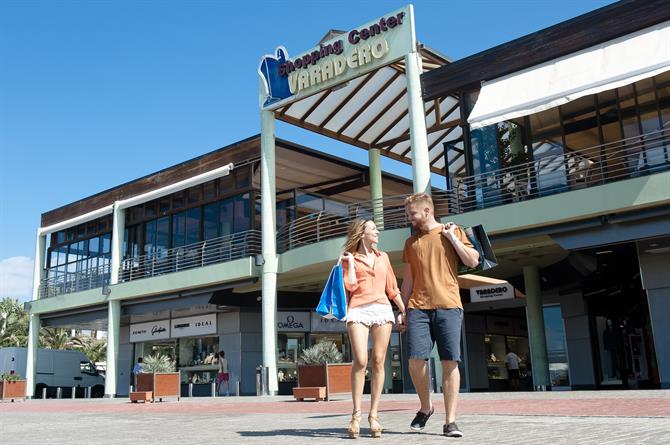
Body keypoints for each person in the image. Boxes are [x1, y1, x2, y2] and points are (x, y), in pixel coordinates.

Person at [401, 193, 480, 438]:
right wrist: (402, 310)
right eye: (408, 214)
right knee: (416, 360)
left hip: (448, 305)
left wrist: (451, 238)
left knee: (449, 362)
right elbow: (408, 279)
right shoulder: (410, 243)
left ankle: (450, 421)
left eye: (412, 214)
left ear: (426, 211)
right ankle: (426, 407)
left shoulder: (451, 231)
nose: (409, 218)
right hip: (418, 307)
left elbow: (473, 260)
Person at [340, 219, 406, 439]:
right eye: (373, 229)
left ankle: (374, 415)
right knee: (360, 360)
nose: (377, 232)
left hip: (382, 309)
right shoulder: (349, 258)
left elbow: (392, 288)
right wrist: (349, 264)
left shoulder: (383, 257)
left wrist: (403, 309)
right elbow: (350, 287)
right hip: (358, 309)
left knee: (378, 360)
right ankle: (356, 414)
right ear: (362, 234)